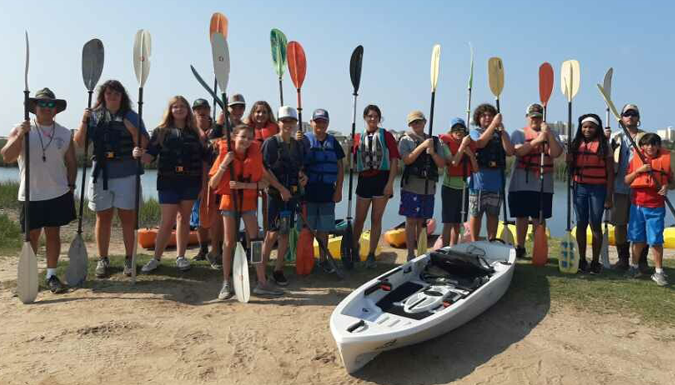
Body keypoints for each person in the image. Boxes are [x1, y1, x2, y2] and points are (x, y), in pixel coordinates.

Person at [1, 88, 77, 294]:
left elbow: (71, 162)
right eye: (41, 104)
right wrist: (20, 136)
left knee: (53, 235)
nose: (46, 108)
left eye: (50, 104)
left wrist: (71, 186)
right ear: (34, 107)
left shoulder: (64, 132)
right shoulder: (21, 127)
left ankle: (52, 275)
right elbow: (6, 156)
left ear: (56, 109)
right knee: (31, 237)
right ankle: (28, 277)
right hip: (30, 194)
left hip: (58, 193)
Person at [74, 80, 148, 278]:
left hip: (127, 174)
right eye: (109, 94)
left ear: (122, 96)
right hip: (101, 174)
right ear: (103, 96)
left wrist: (133, 131)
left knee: (127, 218)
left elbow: (144, 143)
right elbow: (80, 144)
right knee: (103, 217)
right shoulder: (94, 116)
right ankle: (103, 259)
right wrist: (83, 120)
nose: (112, 97)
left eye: (116, 94)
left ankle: (129, 259)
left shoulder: (132, 116)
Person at [209, 124, 282, 299]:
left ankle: (262, 282)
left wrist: (244, 186)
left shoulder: (255, 156)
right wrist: (224, 164)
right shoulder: (225, 155)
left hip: (248, 203)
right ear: (234, 137)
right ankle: (226, 283)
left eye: (250, 138)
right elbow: (213, 184)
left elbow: (264, 183)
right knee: (228, 242)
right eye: (243, 137)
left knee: (256, 240)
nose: (246, 141)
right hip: (229, 203)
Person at [135, 96, 207, 273]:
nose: (179, 109)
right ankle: (156, 258)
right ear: (170, 110)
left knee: (184, 219)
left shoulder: (196, 132)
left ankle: (181, 257)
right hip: (168, 182)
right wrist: (138, 153)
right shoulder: (161, 132)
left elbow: (204, 161)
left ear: (187, 110)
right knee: (167, 222)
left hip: (190, 181)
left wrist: (204, 185)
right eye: (175, 107)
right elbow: (149, 157)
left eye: (182, 106)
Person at [508, 104, 564, 259]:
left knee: (539, 217)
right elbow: (518, 151)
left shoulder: (552, 133)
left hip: (543, 184)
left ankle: (539, 247)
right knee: (521, 216)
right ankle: (520, 246)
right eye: (533, 117)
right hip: (521, 182)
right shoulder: (518, 133)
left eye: (538, 117)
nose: (535, 120)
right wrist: (538, 140)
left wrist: (548, 135)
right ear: (527, 117)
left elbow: (556, 153)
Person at [261, 106, 307, 285]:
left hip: (292, 196)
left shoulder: (297, 145)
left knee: (285, 233)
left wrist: (303, 177)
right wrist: (280, 189)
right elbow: (264, 169)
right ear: (279, 123)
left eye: (291, 122)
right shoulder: (270, 143)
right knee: (272, 234)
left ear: (296, 124)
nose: (288, 125)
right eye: (284, 121)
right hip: (276, 196)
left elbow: (300, 168)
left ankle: (278, 270)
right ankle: (261, 270)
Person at [352, 105, 400, 268]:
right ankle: (353, 248)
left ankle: (371, 254)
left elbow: (394, 160)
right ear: (365, 117)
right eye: (370, 116)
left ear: (379, 118)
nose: (373, 119)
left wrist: (390, 184)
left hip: (382, 179)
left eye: (376, 116)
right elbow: (354, 158)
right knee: (359, 219)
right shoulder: (358, 137)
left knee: (376, 219)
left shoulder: (386, 136)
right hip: (364, 180)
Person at [624, 133, 674, 286]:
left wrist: (666, 187)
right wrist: (639, 171)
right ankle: (634, 267)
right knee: (637, 239)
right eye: (647, 144)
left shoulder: (666, 161)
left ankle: (659, 271)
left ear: (659, 146)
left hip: (656, 207)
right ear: (642, 147)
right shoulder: (636, 161)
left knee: (656, 240)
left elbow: (672, 183)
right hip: (637, 206)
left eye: (654, 144)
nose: (650, 147)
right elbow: (626, 180)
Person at [568, 114, 614, 274]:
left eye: (591, 127)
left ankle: (595, 261)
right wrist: (569, 161)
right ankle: (582, 259)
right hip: (580, 187)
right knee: (581, 223)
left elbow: (610, 172)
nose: (587, 129)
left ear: (597, 128)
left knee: (595, 224)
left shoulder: (604, 145)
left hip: (598, 189)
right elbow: (571, 168)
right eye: (585, 127)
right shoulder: (575, 145)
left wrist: (609, 196)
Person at [398, 110, 446, 260]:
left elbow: (441, 164)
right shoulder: (405, 140)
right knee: (411, 220)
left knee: (422, 221)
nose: (416, 124)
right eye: (413, 122)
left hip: (428, 187)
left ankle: (421, 252)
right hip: (411, 186)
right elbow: (407, 160)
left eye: (419, 121)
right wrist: (422, 146)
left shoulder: (435, 141)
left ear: (425, 122)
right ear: (410, 125)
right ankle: (410, 253)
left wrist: (432, 152)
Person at [301, 109, 345, 272]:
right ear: (312, 122)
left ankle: (323, 260)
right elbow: (297, 162)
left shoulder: (333, 142)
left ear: (327, 123)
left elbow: (340, 167)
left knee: (324, 229)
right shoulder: (304, 140)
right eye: (317, 121)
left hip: (327, 191)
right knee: (307, 229)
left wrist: (339, 189)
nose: (320, 125)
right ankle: (307, 260)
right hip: (308, 191)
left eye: (323, 122)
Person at [606, 104, 648, 273]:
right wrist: (605, 139)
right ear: (621, 117)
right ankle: (623, 259)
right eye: (627, 114)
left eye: (634, 114)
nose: (630, 116)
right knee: (620, 224)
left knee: (641, 225)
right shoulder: (615, 138)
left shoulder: (646, 138)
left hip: (641, 189)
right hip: (619, 188)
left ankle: (641, 260)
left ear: (638, 117)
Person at [469, 104, 514, 241]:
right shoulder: (475, 132)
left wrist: (503, 132)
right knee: (476, 214)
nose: (487, 117)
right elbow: (480, 143)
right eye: (483, 115)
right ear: (478, 118)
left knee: (493, 215)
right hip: (478, 182)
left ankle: (491, 241)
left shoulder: (501, 133)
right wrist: (494, 124)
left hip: (497, 181)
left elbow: (510, 152)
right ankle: (474, 241)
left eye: (490, 115)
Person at [189, 98, 220, 263]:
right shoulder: (190, 130)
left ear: (209, 111)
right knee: (198, 216)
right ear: (194, 112)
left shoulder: (217, 130)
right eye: (198, 109)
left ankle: (216, 250)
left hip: (213, 178)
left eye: (204, 109)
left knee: (214, 216)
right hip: (195, 178)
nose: (202, 112)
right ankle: (202, 249)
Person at [439, 118, 478, 247]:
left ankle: (454, 248)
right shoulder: (445, 144)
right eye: (455, 129)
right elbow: (454, 163)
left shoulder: (469, 145)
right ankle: (444, 250)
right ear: (451, 131)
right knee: (448, 223)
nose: (458, 132)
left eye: (461, 129)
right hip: (449, 188)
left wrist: (471, 154)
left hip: (463, 188)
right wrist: (462, 147)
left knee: (458, 224)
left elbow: (476, 169)